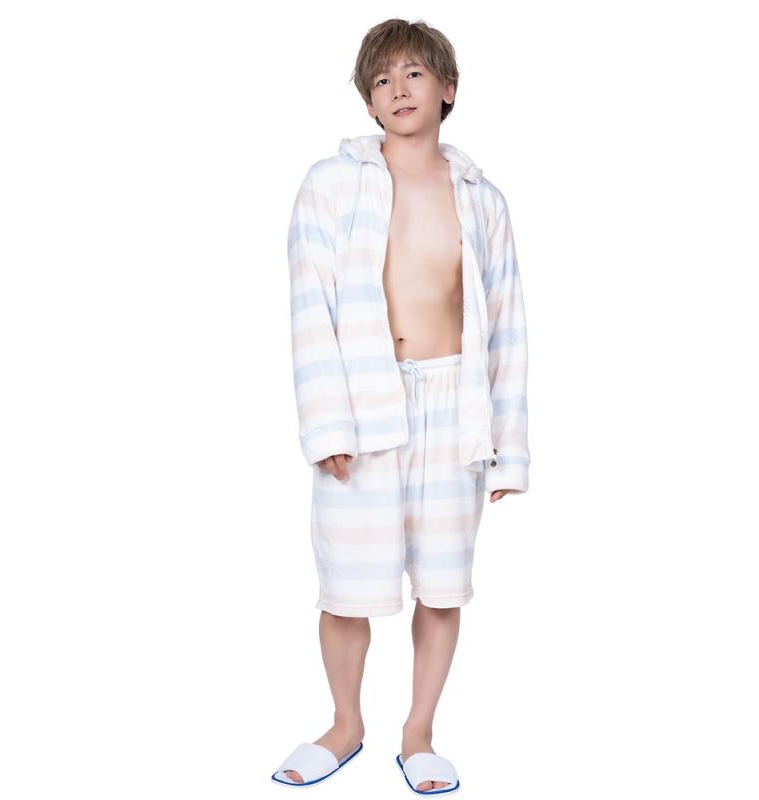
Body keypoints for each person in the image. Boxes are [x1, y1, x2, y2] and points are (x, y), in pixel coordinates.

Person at [273, 17, 531, 793]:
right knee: (346, 583)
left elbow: (506, 323)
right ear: (368, 101)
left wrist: (506, 446)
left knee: (443, 582)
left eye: (414, 73)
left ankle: (418, 732)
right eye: (382, 80)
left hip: (455, 411)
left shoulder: (481, 199)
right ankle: (344, 724)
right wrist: (327, 425)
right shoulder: (331, 185)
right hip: (364, 403)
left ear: (447, 88)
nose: (398, 88)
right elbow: (310, 307)